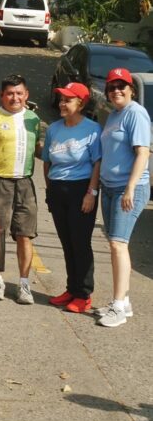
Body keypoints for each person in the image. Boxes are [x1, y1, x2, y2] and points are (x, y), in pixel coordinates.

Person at [0, 74, 45, 305]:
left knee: (25, 235)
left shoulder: (34, 119)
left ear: (26, 95)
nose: (14, 97)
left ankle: (24, 284)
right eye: (9, 93)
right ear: (2, 95)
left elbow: (39, 151)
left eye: (19, 93)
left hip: (25, 184)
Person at [94, 68, 151, 327]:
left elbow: (142, 153)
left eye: (121, 86)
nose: (116, 90)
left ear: (132, 90)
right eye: (112, 86)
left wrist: (129, 188)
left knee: (118, 244)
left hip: (128, 189)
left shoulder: (136, 113)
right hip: (110, 187)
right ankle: (123, 302)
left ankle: (118, 306)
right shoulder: (116, 115)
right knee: (116, 244)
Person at [42, 82, 101, 313]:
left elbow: (97, 162)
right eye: (61, 99)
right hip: (58, 190)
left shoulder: (93, 129)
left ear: (81, 103)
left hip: (81, 190)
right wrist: (49, 189)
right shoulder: (54, 129)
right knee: (67, 243)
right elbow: (47, 161)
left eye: (68, 100)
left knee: (80, 243)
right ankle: (71, 288)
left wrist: (91, 193)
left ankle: (83, 294)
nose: (62, 103)